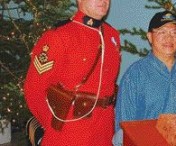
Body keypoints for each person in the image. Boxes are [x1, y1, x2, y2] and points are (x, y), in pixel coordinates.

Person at [23, 0, 121, 145]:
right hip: (70, 130)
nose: (103, 1)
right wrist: (54, 123)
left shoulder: (112, 35)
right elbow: (33, 89)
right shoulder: (59, 36)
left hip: (104, 130)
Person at [113, 10, 176, 145]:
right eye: (162, 32)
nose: (169, 38)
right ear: (150, 37)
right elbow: (124, 128)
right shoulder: (135, 75)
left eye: (174, 32)